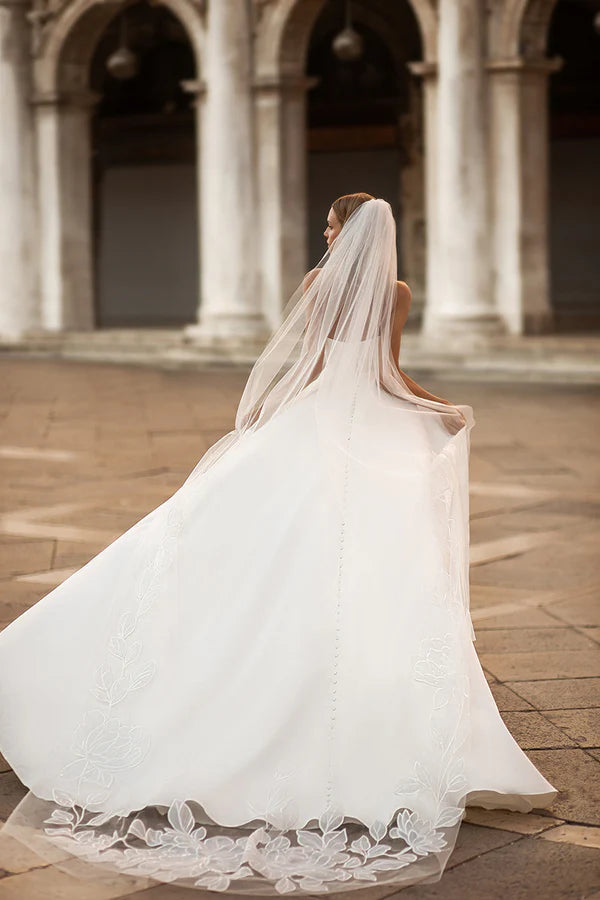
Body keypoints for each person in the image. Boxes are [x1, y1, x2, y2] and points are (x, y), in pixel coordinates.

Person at [0, 194, 557, 895]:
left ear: (341, 230)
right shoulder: (400, 290)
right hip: (378, 422)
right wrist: (434, 407)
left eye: (328, 225)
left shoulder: (318, 283)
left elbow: (318, 367)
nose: (324, 235)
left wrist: (272, 420)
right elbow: (388, 372)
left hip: (321, 419)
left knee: (233, 546)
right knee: (378, 572)